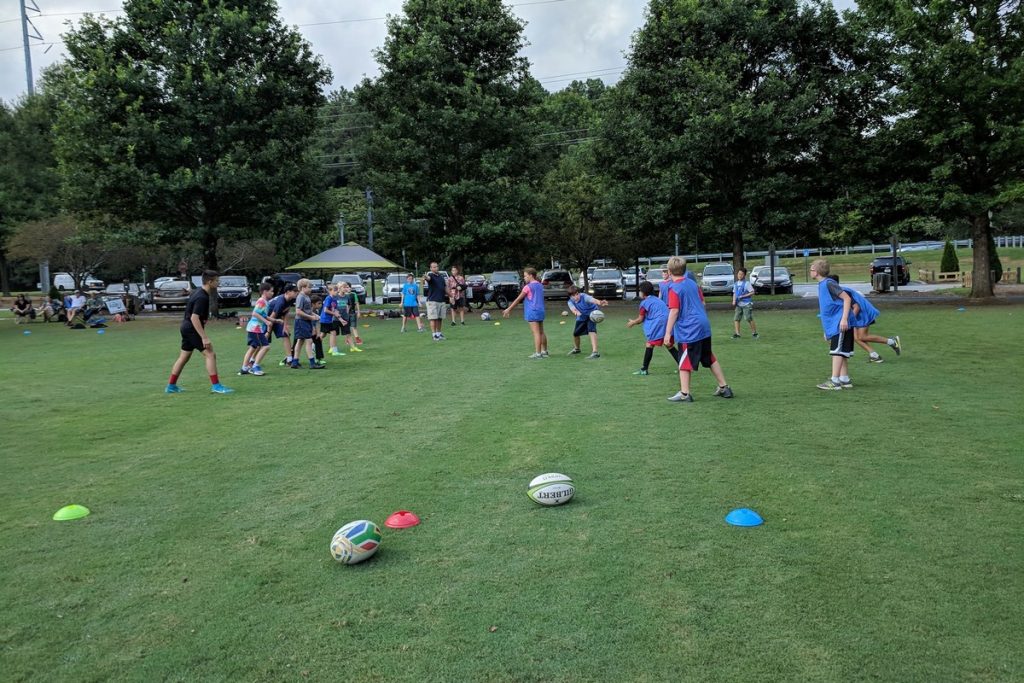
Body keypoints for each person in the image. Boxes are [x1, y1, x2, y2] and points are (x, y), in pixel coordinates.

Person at [663, 256, 733, 402]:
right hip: (704, 326)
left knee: (684, 361)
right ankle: (724, 387)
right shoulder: (692, 283)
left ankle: (685, 394)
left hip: (690, 330)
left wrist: (668, 333)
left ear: (669, 272)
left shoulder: (674, 288)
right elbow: (702, 302)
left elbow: (674, 311)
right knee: (709, 357)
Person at [165, 270, 233, 394]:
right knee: (210, 354)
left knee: (184, 357)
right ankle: (216, 386)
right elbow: (194, 318)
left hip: (185, 328)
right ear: (209, 281)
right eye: (217, 281)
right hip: (191, 329)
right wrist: (204, 337)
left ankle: (171, 386)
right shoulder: (202, 297)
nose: (218, 283)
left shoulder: (199, 292)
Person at [811, 259, 854, 390]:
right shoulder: (822, 284)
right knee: (841, 352)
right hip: (833, 324)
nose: (810, 271)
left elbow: (847, 298)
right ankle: (844, 379)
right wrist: (827, 330)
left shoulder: (829, 283)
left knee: (836, 352)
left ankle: (834, 382)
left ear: (817, 272)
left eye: (812, 269)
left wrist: (844, 319)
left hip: (840, 323)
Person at [626, 280, 679, 375]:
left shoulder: (644, 303)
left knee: (650, 344)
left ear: (643, 292)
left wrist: (633, 322)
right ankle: (683, 366)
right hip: (668, 321)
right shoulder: (658, 300)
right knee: (668, 344)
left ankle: (644, 369)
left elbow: (641, 319)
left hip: (659, 323)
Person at [843, 285, 901, 362]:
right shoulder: (840, 290)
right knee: (856, 338)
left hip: (864, 313)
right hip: (859, 314)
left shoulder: (842, 291)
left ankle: (892, 342)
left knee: (862, 337)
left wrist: (847, 320)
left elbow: (856, 307)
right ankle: (874, 355)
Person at [503, 267, 548, 359]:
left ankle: (538, 354)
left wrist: (509, 309)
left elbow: (518, 299)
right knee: (541, 332)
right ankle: (544, 351)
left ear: (531, 276)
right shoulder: (540, 285)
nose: (524, 278)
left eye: (525, 276)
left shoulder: (527, 287)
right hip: (541, 311)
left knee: (536, 333)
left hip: (532, 311)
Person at [240, 282, 274, 376]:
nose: (273, 293)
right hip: (256, 328)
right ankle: (255, 367)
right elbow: (254, 313)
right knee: (266, 346)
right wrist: (267, 322)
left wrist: (275, 320)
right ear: (265, 291)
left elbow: (263, 315)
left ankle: (244, 368)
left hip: (253, 328)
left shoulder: (265, 302)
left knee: (253, 348)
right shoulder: (261, 301)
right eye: (271, 291)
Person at [566, 285, 607, 358]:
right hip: (582, 316)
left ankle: (595, 352)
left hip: (592, 314)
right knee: (576, 334)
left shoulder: (584, 297)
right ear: (570, 297)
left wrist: (600, 302)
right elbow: (573, 309)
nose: (576, 296)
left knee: (591, 331)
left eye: (577, 294)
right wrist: (576, 312)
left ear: (579, 293)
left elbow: (593, 300)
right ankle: (577, 349)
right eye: (573, 295)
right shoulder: (570, 302)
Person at [292, 278, 325, 369]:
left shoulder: (307, 297)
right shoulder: (301, 297)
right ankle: (312, 363)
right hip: (301, 322)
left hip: (306, 321)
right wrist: (311, 317)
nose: (311, 289)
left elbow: (308, 310)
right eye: (309, 287)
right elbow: (298, 311)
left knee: (300, 341)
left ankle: (295, 362)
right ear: (302, 288)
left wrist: (315, 315)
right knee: (309, 341)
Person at [267, 283, 298, 367]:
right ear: (288, 292)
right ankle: (252, 360)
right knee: (263, 341)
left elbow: (286, 312)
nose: (297, 293)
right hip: (267, 319)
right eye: (295, 291)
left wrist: (285, 326)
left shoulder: (291, 299)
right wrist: (268, 331)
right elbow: (271, 318)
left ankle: (289, 359)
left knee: (285, 334)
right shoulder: (280, 302)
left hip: (277, 319)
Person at [423, 262, 448, 341]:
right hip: (432, 301)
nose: (435, 268)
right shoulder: (430, 276)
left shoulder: (441, 277)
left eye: (436, 267)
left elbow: (445, 288)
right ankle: (434, 335)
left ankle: (439, 334)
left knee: (440, 318)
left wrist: (451, 297)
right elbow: (428, 279)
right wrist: (425, 277)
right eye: (433, 267)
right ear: (431, 268)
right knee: (433, 318)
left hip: (441, 300)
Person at [731, 268, 758, 339]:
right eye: (739, 274)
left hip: (746, 304)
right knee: (736, 319)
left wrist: (743, 296)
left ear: (744, 275)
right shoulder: (735, 284)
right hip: (738, 304)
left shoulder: (747, 283)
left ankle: (754, 333)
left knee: (748, 318)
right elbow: (734, 293)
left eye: (741, 274)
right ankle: (737, 334)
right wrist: (734, 300)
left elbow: (752, 292)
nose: (740, 275)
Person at [338, 282, 363, 352]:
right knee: (345, 328)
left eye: (348, 287)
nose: (347, 289)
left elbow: (353, 304)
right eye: (345, 287)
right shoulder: (339, 296)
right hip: (340, 316)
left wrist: (358, 312)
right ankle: (347, 340)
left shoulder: (351, 295)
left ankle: (355, 342)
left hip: (351, 314)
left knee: (352, 328)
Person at [321, 284, 345, 357]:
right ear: (330, 291)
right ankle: (334, 351)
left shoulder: (334, 299)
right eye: (335, 290)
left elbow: (335, 310)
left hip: (329, 320)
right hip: (325, 319)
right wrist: (334, 313)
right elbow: (325, 310)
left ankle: (313, 346)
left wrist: (341, 320)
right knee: (333, 332)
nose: (337, 292)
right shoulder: (328, 298)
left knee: (323, 334)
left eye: (337, 290)